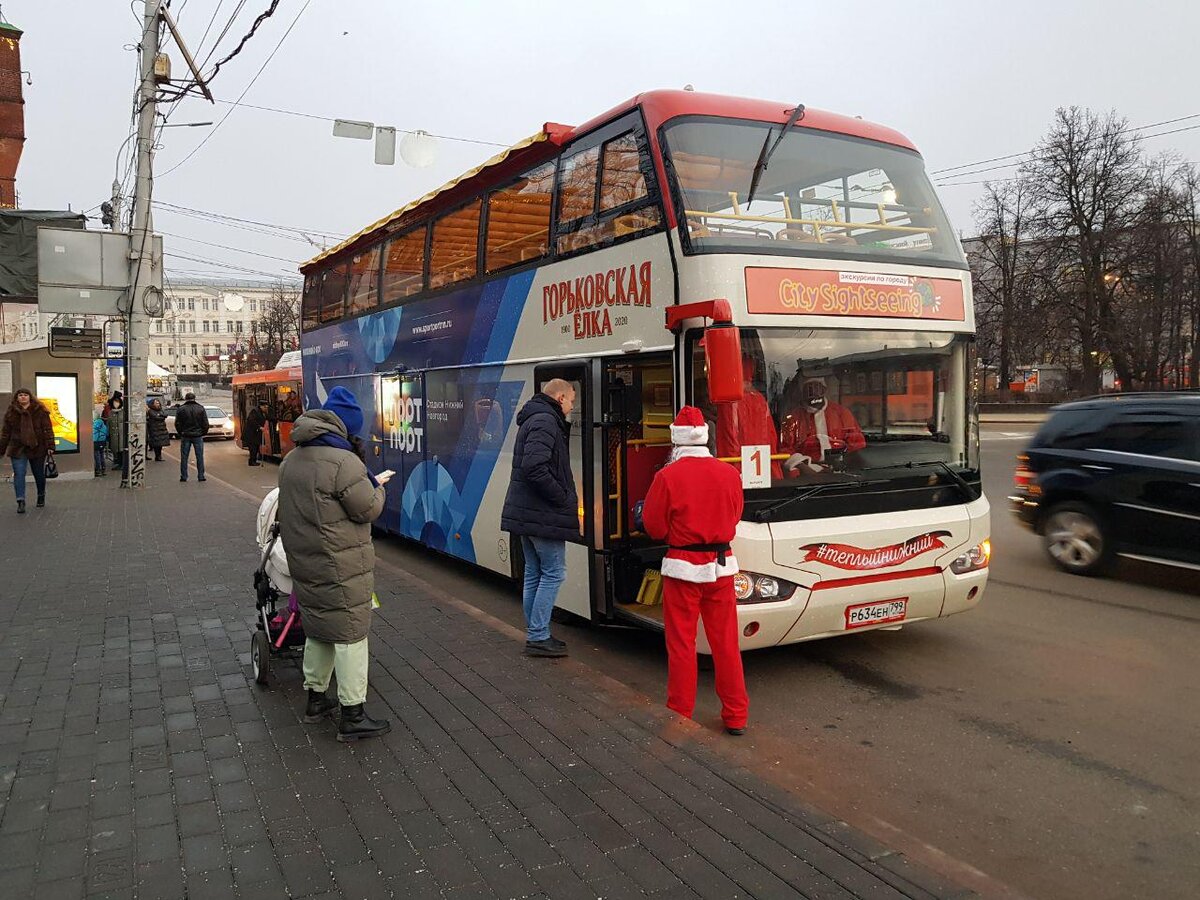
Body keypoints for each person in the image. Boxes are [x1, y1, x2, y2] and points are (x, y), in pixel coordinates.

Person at [278, 386, 392, 742]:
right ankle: (352, 713)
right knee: (351, 635)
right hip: (339, 564)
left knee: (318, 629)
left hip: (306, 562)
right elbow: (368, 508)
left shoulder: (292, 459)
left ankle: (315, 699)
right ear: (344, 428)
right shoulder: (343, 462)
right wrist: (377, 484)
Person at [642, 406, 749, 735]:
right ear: (705, 437)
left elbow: (654, 527)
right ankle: (736, 715)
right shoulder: (729, 473)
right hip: (721, 568)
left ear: (676, 439)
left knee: (682, 645)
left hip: (683, 570)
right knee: (726, 644)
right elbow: (734, 517)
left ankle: (680, 712)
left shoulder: (667, 477)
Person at [501, 378, 579, 658]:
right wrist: (562, 497)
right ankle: (538, 635)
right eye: (571, 400)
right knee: (554, 572)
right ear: (559, 397)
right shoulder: (546, 421)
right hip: (542, 513)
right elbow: (534, 467)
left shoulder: (535, 418)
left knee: (534, 572)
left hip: (529, 512)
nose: (571, 407)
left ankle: (537, 632)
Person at [715, 356, 783, 480]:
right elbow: (771, 437)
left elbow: (730, 439)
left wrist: (734, 471)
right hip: (762, 467)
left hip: (739, 467)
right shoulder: (760, 399)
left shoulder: (729, 402)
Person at [780, 378, 865, 473]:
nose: (813, 392)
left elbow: (856, 445)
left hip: (840, 470)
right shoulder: (793, 418)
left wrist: (842, 464)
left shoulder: (842, 413)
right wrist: (803, 467)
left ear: (824, 390)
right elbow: (785, 449)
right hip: (806, 473)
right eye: (809, 389)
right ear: (803, 392)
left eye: (817, 387)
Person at [1, 388, 56, 513]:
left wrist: (50, 446)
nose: (23, 397)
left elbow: (47, 429)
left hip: (37, 447)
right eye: (20, 395)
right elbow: (5, 433)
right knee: (19, 474)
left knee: (38, 474)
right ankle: (20, 501)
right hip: (18, 448)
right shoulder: (11, 412)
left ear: (30, 397)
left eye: (25, 395)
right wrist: (2, 449)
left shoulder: (40, 411)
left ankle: (41, 495)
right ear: (17, 398)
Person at [174, 392, 210, 483]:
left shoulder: (181, 409)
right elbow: (205, 423)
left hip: (185, 435)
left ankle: (184, 476)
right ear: (194, 398)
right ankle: (201, 476)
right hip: (197, 436)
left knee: (184, 457)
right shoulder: (200, 408)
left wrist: (181, 433)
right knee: (199, 457)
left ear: (186, 398)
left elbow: (177, 423)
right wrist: (203, 433)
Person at [107, 394, 127, 473]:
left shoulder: (123, 412)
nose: (116, 404)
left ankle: (122, 464)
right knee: (116, 449)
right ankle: (118, 462)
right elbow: (108, 423)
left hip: (122, 434)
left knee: (122, 449)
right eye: (115, 402)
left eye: (117, 402)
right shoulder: (110, 413)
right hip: (113, 434)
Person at [244, 400, 268, 466]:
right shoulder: (255, 411)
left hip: (255, 434)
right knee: (253, 448)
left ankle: (254, 461)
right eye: (265, 407)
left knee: (256, 447)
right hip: (251, 433)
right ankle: (251, 461)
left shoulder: (262, 412)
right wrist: (259, 427)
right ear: (261, 406)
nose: (266, 408)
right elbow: (251, 421)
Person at [146, 398, 170, 462]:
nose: (158, 404)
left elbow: (165, 415)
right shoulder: (150, 410)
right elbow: (155, 417)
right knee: (156, 444)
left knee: (160, 444)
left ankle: (159, 456)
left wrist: (160, 415)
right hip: (154, 429)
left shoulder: (160, 410)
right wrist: (161, 416)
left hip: (162, 429)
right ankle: (157, 456)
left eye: (158, 403)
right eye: (156, 403)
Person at [92, 408, 108, 477]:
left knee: (97, 456)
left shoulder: (94, 425)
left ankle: (98, 470)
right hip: (102, 442)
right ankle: (103, 469)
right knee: (102, 455)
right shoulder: (103, 424)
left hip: (96, 442)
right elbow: (106, 433)